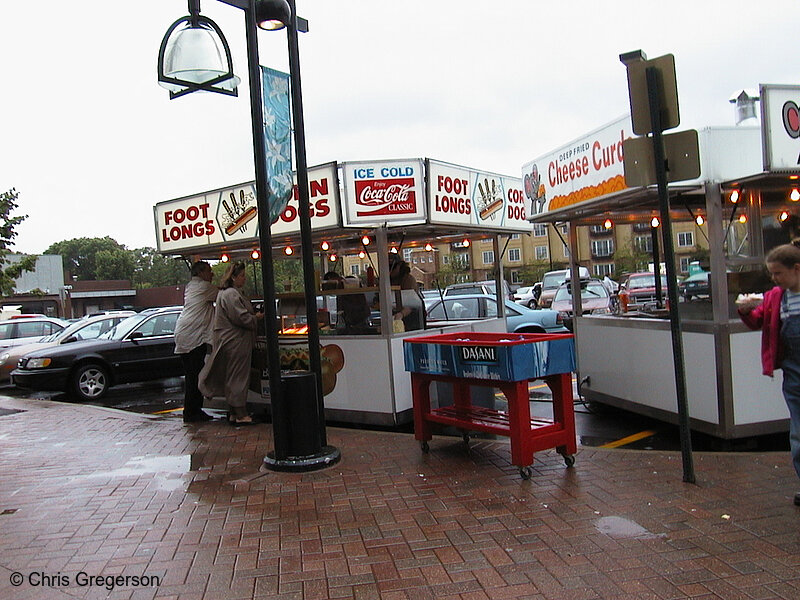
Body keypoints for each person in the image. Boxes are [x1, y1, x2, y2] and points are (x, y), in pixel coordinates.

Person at [738, 242, 800, 506]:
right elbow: (758, 321)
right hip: (794, 376)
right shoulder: (776, 297)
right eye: (772, 274)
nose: (774, 279)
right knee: (798, 435)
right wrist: (744, 310)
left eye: (778, 273)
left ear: (796, 269)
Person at [199, 261, 263, 425]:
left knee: (232, 376)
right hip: (236, 341)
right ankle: (241, 413)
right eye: (241, 276)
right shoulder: (231, 294)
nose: (244, 279)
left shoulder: (223, 294)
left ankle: (234, 412)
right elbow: (241, 318)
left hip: (227, 340)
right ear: (233, 277)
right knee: (239, 377)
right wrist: (255, 318)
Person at [174, 260, 218, 423]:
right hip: (192, 337)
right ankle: (192, 412)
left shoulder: (192, 286)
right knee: (194, 376)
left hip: (186, 335)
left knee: (193, 375)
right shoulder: (203, 287)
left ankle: (193, 410)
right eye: (209, 271)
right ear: (200, 273)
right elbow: (224, 293)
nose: (212, 274)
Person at [388, 254, 423, 331]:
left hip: (412, 320)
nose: (390, 271)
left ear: (399, 266)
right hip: (396, 318)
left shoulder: (408, 280)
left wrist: (401, 314)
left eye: (392, 267)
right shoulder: (388, 281)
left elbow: (411, 304)